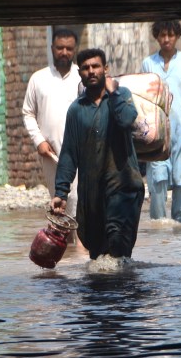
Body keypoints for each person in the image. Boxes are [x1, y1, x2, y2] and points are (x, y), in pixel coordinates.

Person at [51, 49, 145, 261]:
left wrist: (114, 94)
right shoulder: (76, 110)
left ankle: (122, 292)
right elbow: (69, 153)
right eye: (85, 68)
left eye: (95, 66)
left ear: (106, 69)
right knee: (97, 253)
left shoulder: (122, 96)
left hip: (123, 186)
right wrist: (61, 192)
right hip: (92, 193)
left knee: (117, 242)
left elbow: (126, 120)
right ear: (80, 73)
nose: (91, 71)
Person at [139, 20, 181, 223]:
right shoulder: (148, 63)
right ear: (156, 37)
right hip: (157, 132)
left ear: (177, 36)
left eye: (170, 35)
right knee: (158, 179)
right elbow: (142, 94)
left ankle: (179, 224)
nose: (166, 39)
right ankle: (158, 224)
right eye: (162, 35)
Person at [23, 27, 81, 242]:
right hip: (51, 154)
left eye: (68, 48)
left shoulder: (81, 77)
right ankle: (64, 248)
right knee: (59, 199)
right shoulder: (39, 79)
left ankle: (79, 249)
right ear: (52, 49)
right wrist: (38, 140)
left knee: (77, 198)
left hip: (80, 152)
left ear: (74, 50)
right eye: (60, 48)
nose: (64, 52)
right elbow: (28, 113)